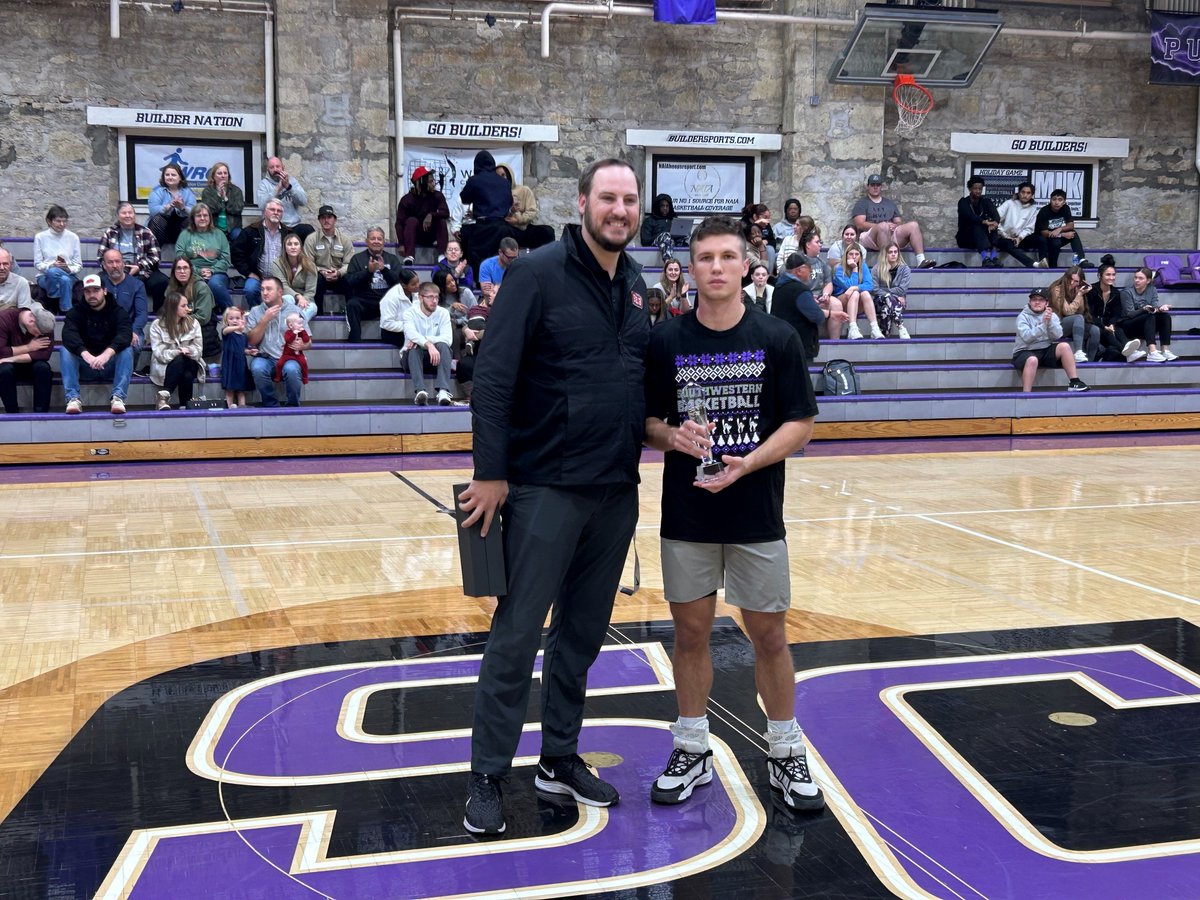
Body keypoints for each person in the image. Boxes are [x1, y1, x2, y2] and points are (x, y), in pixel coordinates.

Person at [457, 158, 650, 836]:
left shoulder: (635, 286)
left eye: (629, 200)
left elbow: (636, 384)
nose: (619, 210)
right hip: (542, 490)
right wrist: (490, 473)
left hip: (614, 492)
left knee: (581, 639)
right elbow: (493, 381)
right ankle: (486, 774)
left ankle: (558, 757)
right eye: (608, 198)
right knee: (515, 637)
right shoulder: (534, 274)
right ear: (583, 203)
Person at [643, 215, 822, 812]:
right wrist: (675, 439)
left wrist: (748, 464)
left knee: (768, 634)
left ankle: (785, 749)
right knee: (690, 633)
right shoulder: (666, 341)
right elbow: (647, 424)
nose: (716, 267)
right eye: (705, 258)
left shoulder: (778, 339)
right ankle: (692, 746)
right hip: (688, 515)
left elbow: (800, 422)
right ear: (689, 269)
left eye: (727, 257)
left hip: (755, 514)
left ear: (746, 265)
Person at [59, 274, 134, 415]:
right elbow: (68, 336)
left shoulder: (118, 312)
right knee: (65, 350)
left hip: (109, 365)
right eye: (88, 291)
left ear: (105, 291)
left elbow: (125, 335)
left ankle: (118, 397)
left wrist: (106, 354)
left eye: (96, 290)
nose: (92, 295)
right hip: (85, 366)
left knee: (127, 350)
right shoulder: (75, 312)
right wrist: (87, 356)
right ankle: (73, 398)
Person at [245, 276, 308, 407]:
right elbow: (252, 340)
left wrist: (303, 344)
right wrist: (264, 320)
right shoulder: (255, 311)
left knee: (291, 369)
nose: (265, 293)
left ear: (280, 292)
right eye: (262, 289)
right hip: (265, 357)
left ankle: (292, 405)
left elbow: (309, 341)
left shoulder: (294, 310)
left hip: (290, 357)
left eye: (269, 289)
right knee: (257, 367)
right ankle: (271, 404)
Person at [1012, 288, 1089, 393]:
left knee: (1064, 346)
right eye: (1034, 299)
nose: (1037, 302)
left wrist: (1050, 322)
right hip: (1024, 351)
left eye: (1041, 300)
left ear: (1046, 303)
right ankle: (1026, 394)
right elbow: (1027, 337)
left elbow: (1057, 335)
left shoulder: (1051, 316)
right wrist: (1043, 325)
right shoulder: (1023, 317)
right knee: (1032, 360)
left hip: (1045, 350)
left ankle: (1074, 382)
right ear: (1030, 302)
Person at [851, 174, 935, 268]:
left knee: (913, 225)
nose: (875, 187)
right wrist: (882, 226)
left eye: (877, 185)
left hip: (889, 234)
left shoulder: (889, 203)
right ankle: (887, 264)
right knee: (883, 226)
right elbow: (860, 224)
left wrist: (895, 226)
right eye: (872, 185)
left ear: (881, 187)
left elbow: (898, 221)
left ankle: (921, 260)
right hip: (869, 237)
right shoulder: (862, 203)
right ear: (868, 186)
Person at [97, 202, 168, 310]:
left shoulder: (145, 232)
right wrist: (116, 268)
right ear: (118, 216)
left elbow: (155, 256)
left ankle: (158, 315)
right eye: (124, 213)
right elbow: (101, 257)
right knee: (99, 280)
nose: (127, 215)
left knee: (162, 281)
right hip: (115, 272)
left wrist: (139, 266)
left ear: (134, 215)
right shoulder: (109, 232)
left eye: (130, 213)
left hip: (142, 272)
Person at [459, 150, 519, 275]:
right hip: (502, 226)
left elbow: (464, 198)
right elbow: (509, 202)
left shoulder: (475, 180)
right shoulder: (505, 182)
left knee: (474, 252)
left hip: (483, 226)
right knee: (500, 257)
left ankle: (478, 282)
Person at [343, 227, 404, 343]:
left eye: (379, 239)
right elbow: (350, 281)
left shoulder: (392, 259)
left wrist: (384, 270)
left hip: (387, 302)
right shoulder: (357, 259)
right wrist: (368, 272)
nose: (376, 241)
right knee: (352, 304)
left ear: (384, 242)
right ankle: (355, 339)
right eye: (372, 238)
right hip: (366, 301)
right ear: (367, 242)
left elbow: (400, 282)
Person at [232, 198, 292, 308]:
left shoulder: (288, 233)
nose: (276, 213)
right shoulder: (250, 231)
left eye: (279, 211)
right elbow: (236, 254)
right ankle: (258, 317)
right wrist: (249, 273)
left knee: (290, 297)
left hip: (282, 278)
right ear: (265, 211)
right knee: (250, 289)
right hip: (258, 277)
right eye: (272, 209)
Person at [771, 252, 831, 361]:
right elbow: (817, 317)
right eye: (809, 269)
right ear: (799, 270)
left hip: (781, 343)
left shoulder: (779, 287)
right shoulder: (800, 290)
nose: (811, 272)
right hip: (799, 346)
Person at [175, 203, 233, 313]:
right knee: (196, 284)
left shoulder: (219, 234)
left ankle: (230, 314)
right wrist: (197, 271)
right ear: (193, 218)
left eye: (205, 215)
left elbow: (226, 258)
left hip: (217, 273)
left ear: (210, 218)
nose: (202, 218)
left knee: (215, 284)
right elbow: (180, 257)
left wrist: (212, 270)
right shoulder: (185, 235)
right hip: (191, 272)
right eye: (198, 215)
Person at [149, 291, 203, 410]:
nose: (187, 309)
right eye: (183, 306)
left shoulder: (194, 324)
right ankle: (185, 405)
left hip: (191, 361)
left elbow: (199, 350)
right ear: (172, 307)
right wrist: (177, 352)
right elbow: (159, 354)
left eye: (187, 305)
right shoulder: (157, 325)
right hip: (166, 364)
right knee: (186, 375)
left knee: (183, 361)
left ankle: (164, 396)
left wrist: (189, 351)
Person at [402, 281, 453, 405]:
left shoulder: (443, 313)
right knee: (413, 348)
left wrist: (424, 341)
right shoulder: (409, 313)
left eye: (436, 297)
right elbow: (411, 334)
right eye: (430, 297)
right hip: (411, 360)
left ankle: (443, 391)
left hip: (436, 359)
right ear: (420, 297)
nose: (434, 301)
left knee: (444, 346)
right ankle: (420, 392)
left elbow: (448, 339)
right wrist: (428, 344)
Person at [0, 304, 56, 414]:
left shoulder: (46, 322)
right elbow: (0, 351)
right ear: (31, 321)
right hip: (7, 367)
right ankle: (11, 412)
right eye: (36, 332)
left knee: (43, 367)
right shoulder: (4, 318)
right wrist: (28, 347)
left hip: (29, 364)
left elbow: (44, 355)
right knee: (4, 370)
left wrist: (11, 359)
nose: (38, 335)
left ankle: (41, 413)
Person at [99, 248, 149, 365]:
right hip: (105, 328)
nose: (115, 265)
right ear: (104, 265)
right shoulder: (99, 283)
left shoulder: (137, 285)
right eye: (110, 262)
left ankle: (128, 373)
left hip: (130, 328)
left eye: (118, 261)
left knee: (134, 346)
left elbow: (142, 314)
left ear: (123, 263)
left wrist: (134, 331)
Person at [1088, 262, 1145, 362]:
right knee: (1106, 331)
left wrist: (1111, 324)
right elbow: (1089, 314)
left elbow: (1116, 314)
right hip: (1093, 324)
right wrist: (1104, 326)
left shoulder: (1115, 293)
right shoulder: (1092, 290)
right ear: (1100, 276)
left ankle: (1129, 350)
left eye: (1113, 275)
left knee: (1118, 327)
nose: (1111, 277)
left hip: (1108, 325)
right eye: (1108, 274)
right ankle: (1130, 352)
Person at [1118, 267, 1176, 362]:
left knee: (1165, 316)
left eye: (1140, 278)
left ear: (1148, 281)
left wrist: (1160, 309)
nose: (1137, 280)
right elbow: (1129, 314)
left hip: (1146, 323)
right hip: (1128, 325)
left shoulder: (1152, 290)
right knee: (1149, 315)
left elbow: (1154, 308)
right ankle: (1152, 351)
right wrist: (1144, 309)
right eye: (1135, 277)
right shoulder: (1126, 292)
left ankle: (1165, 350)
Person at [304, 205, 354, 314]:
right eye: (323, 217)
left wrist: (339, 273)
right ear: (319, 220)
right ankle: (319, 315)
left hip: (339, 275)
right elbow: (308, 262)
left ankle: (350, 314)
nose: (326, 220)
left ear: (334, 219)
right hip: (320, 275)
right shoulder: (311, 239)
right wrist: (321, 271)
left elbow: (349, 263)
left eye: (329, 217)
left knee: (352, 281)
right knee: (316, 280)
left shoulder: (344, 240)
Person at [166, 256, 218, 359]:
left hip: (201, 332)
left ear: (191, 270)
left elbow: (203, 318)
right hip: (177, 331)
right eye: (178, 268)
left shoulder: (201, 288)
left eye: (185, 268)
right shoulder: (170, 289)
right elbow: (166, 312)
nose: (182, 271)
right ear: (174, 271)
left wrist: (179, 321)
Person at [495, 164, 557, 251]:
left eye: (503, 175)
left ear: (509, 174)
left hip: (524, 227)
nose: (501, 178)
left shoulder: (524, 190)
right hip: (508, 229)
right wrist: (510, 212)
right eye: (498, 176)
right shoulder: (496, 194)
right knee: (501, 231)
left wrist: (519, 220)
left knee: (547, 231)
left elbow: (531, 211)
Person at [396, 166, 451, 263]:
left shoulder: (437, 196)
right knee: (411, 220)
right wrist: (401, 244)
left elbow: (446, 213)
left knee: (441, 220)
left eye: (433, 180)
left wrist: (431, 215)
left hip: (431, 234)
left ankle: (442, 255)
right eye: (430, 181)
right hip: (415, 236)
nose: (433, 183)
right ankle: (410, 256)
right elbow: (399, 223)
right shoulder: (407, 200)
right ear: (421, 182)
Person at [33, 204, 82, 313]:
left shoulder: (73, 237)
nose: (62, 224)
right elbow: (37, 264)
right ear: (49, 221)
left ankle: (55, 299)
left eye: (64, 221)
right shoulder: (40, 237)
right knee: (53, 272)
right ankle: (67, 311)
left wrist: (68, 269)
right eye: (58, 221)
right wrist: (51, 266)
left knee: (64, 279)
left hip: (69, 275)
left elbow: (78, 265)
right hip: (45, 276)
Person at [1047, 267, 1101, 362]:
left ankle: (1090, 362)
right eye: (1070, 279)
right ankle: (1078, 352)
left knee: (1095, 330)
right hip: (1056, 325)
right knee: (1078, 318)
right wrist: (1079, 295)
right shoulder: (1056, 290)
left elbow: (1080, 311)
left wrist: (1080, 293)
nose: (1072, 283)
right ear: (1065, 277)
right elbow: (1067, 311)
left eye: (1076, 281)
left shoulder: (1077, 290)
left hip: (1071, 324)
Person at [257, 156, 311, 242]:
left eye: (278, 166)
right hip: (274, 227)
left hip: (293, 226)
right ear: (268, 169)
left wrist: (288, 187)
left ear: (283, 167)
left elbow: (303, 201)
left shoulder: (292, 181)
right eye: (272, 167)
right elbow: (262, 206)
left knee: (309, 230)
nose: (275, 169)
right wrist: (277, 189)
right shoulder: (264, 184)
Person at [1035, 190, 1092, 269]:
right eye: (1054, 199)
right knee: (1056, 242)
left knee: (1073, 234)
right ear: (1050, 200)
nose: (1056, 202)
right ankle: (1053, 265)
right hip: (1046, 240)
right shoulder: (1044, 211)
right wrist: (1062, 234)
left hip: (1057, 236)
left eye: (1060, 200)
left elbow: (1071, 225)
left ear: (1064, 202)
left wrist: (1060, 229)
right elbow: (1044, 232)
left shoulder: (1065, 208)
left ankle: (1081, 260)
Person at [832, 245, 880, 339]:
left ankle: (875, 328)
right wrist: (854, 269)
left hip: (857, 302)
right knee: (855, 293)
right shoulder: (838, 268)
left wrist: (854, 288)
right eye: (851, 254)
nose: (854, 257)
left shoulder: (863, 266)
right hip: (842, 301)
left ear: (860, 256)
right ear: (846, 255)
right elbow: (847, 286)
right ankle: (852, 328)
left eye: (857, 254)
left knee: (865, 293)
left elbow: (870, 285)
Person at [955, 176, 1002, 268]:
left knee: (992, 225)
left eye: (980, 189)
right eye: (975, 189)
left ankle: (993, 257)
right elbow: (970, 216)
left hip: (982, 238)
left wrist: (995, 223)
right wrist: (984, 222)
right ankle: (985, 258)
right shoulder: (963, 202)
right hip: (966, 238)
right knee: (976, 225)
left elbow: (995, 214)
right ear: (970, 189)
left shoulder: (986, 201)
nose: (978, 191)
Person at [146, 162, 196, 247]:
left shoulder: (188, 192)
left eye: (173, 175)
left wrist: (183, 208)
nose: (170, 177)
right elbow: (153, 211)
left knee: (190, 221)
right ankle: (155, 253)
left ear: (180, 177)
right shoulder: (157, 191)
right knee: (157, 220)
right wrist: (168, 206)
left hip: (180, 228)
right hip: (162, 229)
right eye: (167, 175)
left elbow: (195, 212)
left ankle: (186, 255)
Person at [994, 181, 1040, 268]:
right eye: (1023, 192)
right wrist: (1004, 235)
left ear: (1032, 195)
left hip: (1019, 239)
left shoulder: (1033, 209)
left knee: (1041, 239)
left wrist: (1020, 238)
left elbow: (1029, 229)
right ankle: (1033, 264)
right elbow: (995, 220)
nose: (1025, 195)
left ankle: (1045, 263)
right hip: (1003, 238)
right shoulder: (1009, 203)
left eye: (1028, 193)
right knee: (1008, 244)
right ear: (1018, 193)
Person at [872, 243, 911, 340]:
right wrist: (895, 295)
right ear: (885, 254)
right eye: (890, 252)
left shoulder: (905, 269)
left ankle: (884, 334)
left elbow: (902, 289)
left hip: (897, 302)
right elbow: (875, 289)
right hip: (879, 301)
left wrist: (888, 293)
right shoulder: (877, 269)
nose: (893, 254)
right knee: (887, 299)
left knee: (886, 309)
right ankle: (900, 326)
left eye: (895, 252)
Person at [200, 161, 246, 239]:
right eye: (219, 173)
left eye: (225, 173)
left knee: (239, 236)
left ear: (228, 176)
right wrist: (219, 197)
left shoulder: (236, 191)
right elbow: (210, 210)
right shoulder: (207, 192)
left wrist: (225, 198)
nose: (223, 176)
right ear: (214, 176)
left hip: (233, 228)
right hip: (214, 227)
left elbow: (238, 209)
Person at [219, 306, 253, 408]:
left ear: (242, 319)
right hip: (230, 363)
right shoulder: (227, 332)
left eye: (237, 318)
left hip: (240, 364)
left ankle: (242, 406)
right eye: (231, 318)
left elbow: (243, 349)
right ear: (226, 320)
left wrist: (249, 351)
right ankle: (229, 406)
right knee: (230, 389)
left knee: (241, 390)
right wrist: (238, 327)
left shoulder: (243, 336)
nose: (234, 321)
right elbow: (226, 330)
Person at [272, 233, 318, 307]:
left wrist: (303, 301)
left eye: (296, 244)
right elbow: (282, 285)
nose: (293, 247)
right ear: (285, 248)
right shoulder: (277, 264)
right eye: (289, 244)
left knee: (313, 307)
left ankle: (296, 318)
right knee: (288, 299)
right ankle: (293, 316)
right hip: (285, 298)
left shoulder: (310, 264)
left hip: (306, 300)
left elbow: (310, 291)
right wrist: (298, 296)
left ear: (300, 248)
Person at [379, 268, 420, 350]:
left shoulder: (416, 294)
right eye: (413, 284)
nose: (417, 285)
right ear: (404, 285)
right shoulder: (391, 298)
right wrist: (408, 326)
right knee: (417, 341)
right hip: (392, 333)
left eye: (418, 282)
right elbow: (387, 324)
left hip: (411, 329)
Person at [275, 312, 310, 386]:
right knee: (279, 364)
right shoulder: (288, 332)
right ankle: (277, 376)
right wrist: (294, 333)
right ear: (291, 325)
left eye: (302, 323)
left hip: (298, 354)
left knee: (304, 363)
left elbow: (306, 339)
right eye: (299, 323)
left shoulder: (301, 332)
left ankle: (305, 377)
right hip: (287, 354)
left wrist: (303, 331)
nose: (301, 325)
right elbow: (288, 340)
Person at [640, 192, 678, 260]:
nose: (665, 208)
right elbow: (645, 241)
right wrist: (661, 235)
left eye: (667, 206)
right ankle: (668, 262)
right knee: (666, 236)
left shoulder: (673, 220)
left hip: (673, 244)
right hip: (654, 248)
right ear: (658, 207)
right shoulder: (649, 221)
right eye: (662, 206)